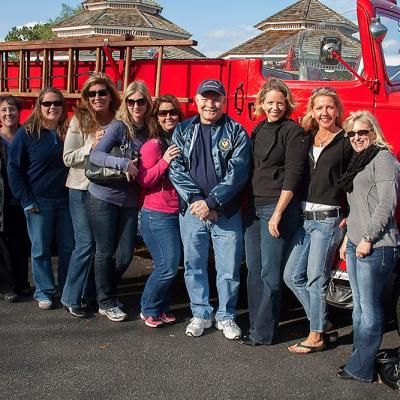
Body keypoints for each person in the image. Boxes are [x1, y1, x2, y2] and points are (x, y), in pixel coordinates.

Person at [169, 79, 251, 339]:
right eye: (205, 98)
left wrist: (213, 203)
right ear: (196, 100)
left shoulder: (236, 131)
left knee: (228, 268)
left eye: (215, 98)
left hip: (225, 213)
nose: (210, 103)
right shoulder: (182, 130)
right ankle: (201, 314)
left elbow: (238, 173)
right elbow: (176, 167)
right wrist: (196, 201)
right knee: (194, 265)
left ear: (224, 101)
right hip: (192, 212)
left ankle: (226, 316)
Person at [283, 87, 353, 353]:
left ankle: (316, 336)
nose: (324, 112)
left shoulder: (346, 140)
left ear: (337, 110)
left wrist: (351, 219)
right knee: (291, 276)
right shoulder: (307, 138)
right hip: (304, 219)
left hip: (328, 220)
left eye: (330, 107)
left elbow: (354, 183)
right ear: (312, 110)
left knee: (316, 279)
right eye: (319, 107)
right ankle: (322, 321)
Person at [241, 78, 309, 346]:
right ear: (261, 104)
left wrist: (279, 213)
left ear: (287, 104)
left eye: (280, 103)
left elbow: (293, 175)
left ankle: (264, 332)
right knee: (253, 270)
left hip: (275, 207)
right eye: (270, 102)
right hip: (253, 207)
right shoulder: (258, 129)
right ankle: (256, 324)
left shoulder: (293, 132)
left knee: (270, 272)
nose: (275, 107)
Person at [337, 111, 399, 383]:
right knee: (359, 308)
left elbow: (387, 204)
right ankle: (358, 359)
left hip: (377, 246)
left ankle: (361, 369)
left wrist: (367, 238)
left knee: (369, 308)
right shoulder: (360, 160)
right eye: (352, 134)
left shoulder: (383, 158)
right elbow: (358, 206)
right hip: (356, 242)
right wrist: (348, 238)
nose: (357, 138)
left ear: (374, 132)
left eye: (363, 132)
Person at [87, 80, 152, 322]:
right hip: (102, 197)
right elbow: (96, 154)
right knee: (104, 251)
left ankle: (102, 292)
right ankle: (106, 301)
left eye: (141, 101)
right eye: (131, 101)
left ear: (147, 103)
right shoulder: (118, 127)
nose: (136, 105)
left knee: (125, 255)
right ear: (126, 103)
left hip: (129, 201)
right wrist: (123, 164)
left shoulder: (149, 128)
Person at [7, 88, 74, 310]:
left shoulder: (70, 131)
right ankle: (44, 291)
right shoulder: (27, 133)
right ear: (39, 106)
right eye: (47, 104)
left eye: (57, 103)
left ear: (63, 106)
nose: (52, 107)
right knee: (40, 249)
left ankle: (66, 288)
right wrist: (26, 199)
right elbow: (14, 168)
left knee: (68, 248)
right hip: (39, 201)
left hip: (66, 201)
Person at [61, 73, 121, 318]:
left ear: (110, 95)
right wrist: (91, 148)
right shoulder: (79, 119)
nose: (97, 97)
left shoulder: (119, 118)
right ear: (86, 97)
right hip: (82, 189)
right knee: (85, 245)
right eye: (92, 94)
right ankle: (70, 297)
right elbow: (67, 158)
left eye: (102, 93)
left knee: (104, 248)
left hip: (109, 190)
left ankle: (93, 294)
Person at [137, 94, 183, 328]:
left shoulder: (181, 139)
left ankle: (162, 307)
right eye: (163, 113)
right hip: (156, 213)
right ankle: (148, 308)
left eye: (172, 112)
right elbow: (144, 179)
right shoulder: (153, 145)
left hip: (177, 212)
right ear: (155, 117)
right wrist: (164, 160)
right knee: (167, 265)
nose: (168, 117)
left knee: (169, 264)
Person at [0, 95, 31, 302]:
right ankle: (6, 287)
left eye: (11, 109)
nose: (8, 113)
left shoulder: (26, 135)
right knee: (2, 245)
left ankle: (22, 283)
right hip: (2, 198)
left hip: (22, 197)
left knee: (21, 243)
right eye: (3, 110)